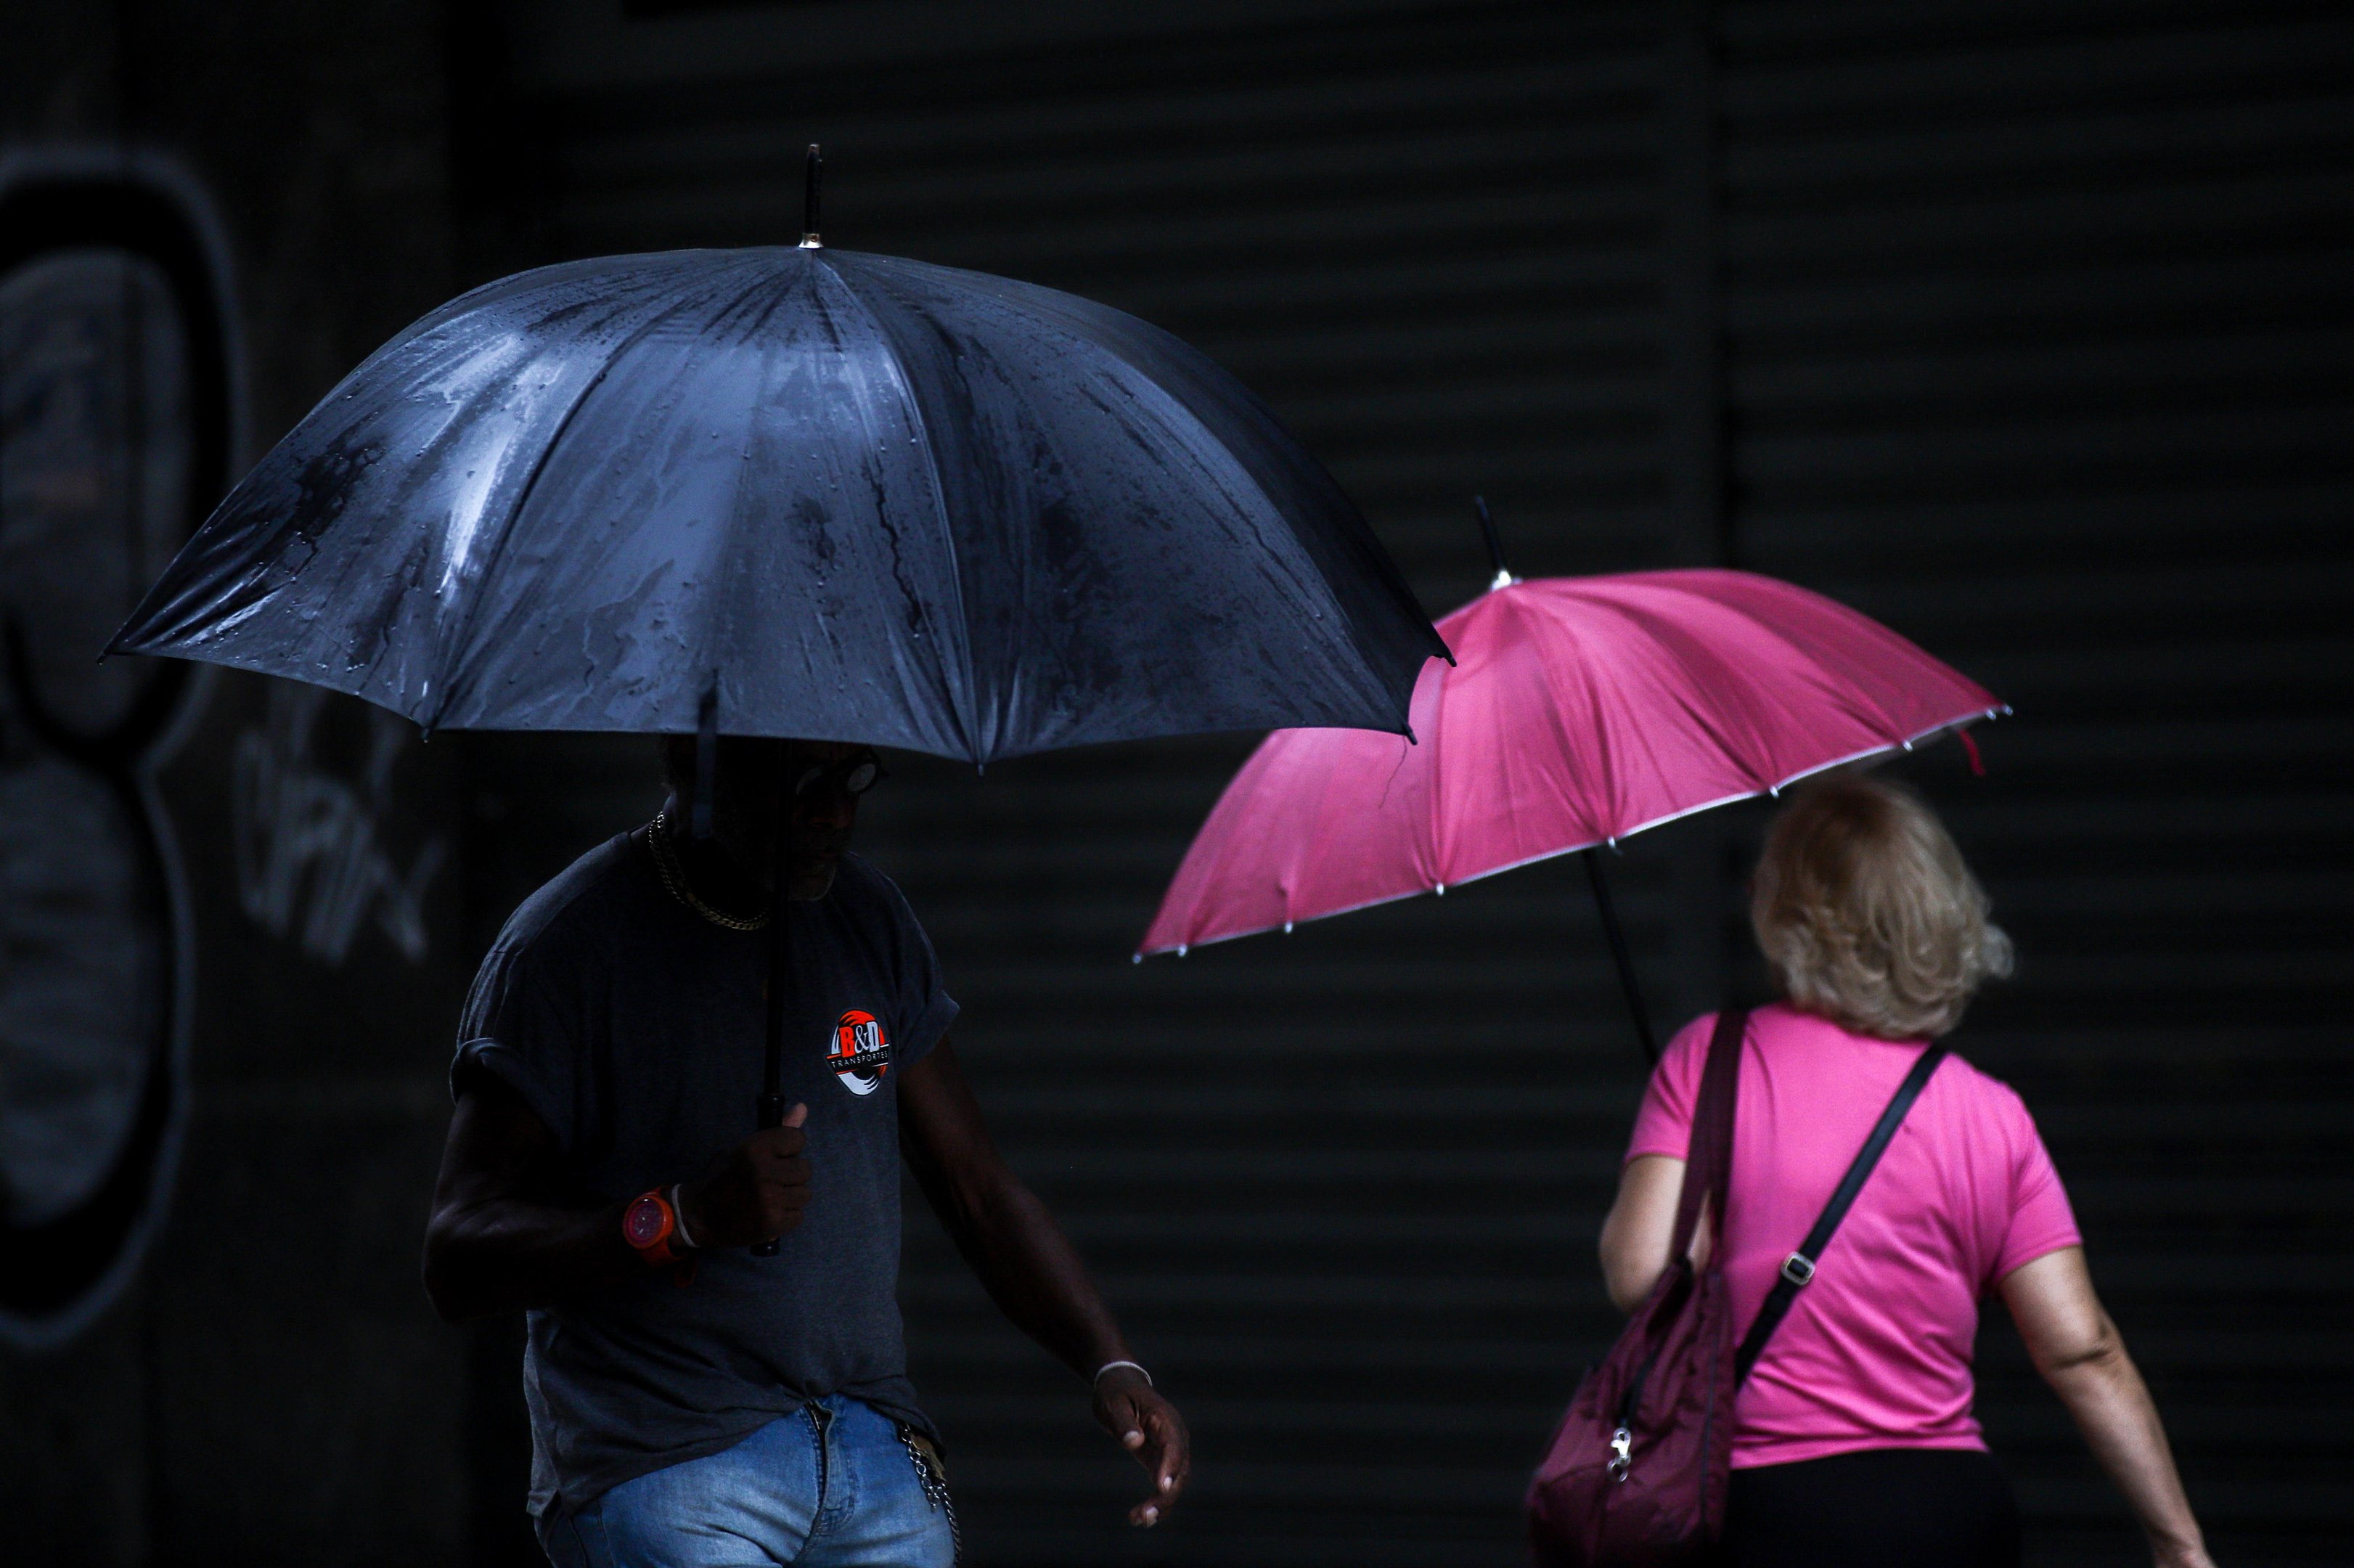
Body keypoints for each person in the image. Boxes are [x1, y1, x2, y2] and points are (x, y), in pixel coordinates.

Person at [423, 737, 1189, 1567]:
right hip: (673, 1465)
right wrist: (681, 1219)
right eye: (797, 781)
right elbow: (459, 1256)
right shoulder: (563, 950)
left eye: (852, 777)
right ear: (694, 763)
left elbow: (979, 1191)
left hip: (875, 1456)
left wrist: (1111, 1363)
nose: (832, 811)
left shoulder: (868, 919)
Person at [1595, 773, 2212, 1568]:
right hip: (1947, 1514)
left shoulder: (1708, 1061)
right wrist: (2179, 1543)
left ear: (1786, 913)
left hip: (1764, 1511)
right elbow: (2081, 1349)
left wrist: (1698, 1229)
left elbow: (1639, 1275)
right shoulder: (1993, 1115)